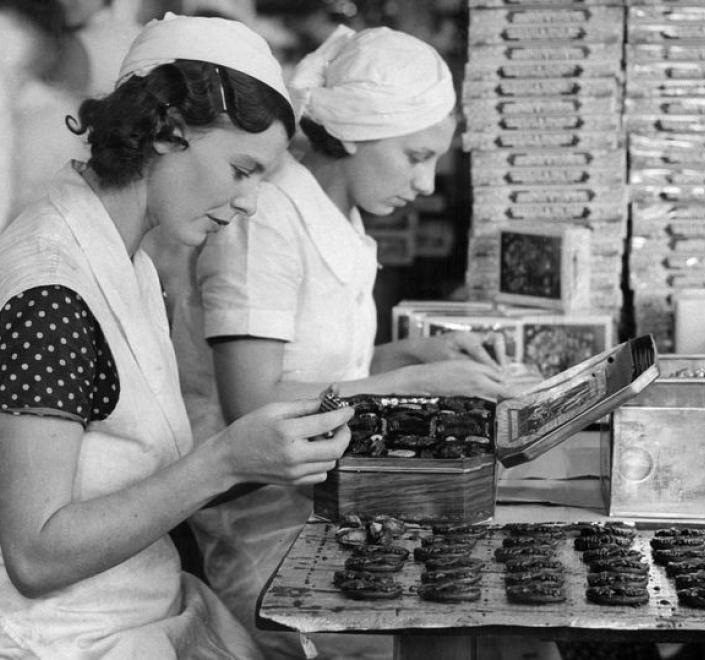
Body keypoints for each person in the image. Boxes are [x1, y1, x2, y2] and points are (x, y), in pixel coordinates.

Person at [0, 13, 354, 659]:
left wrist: (272, 455)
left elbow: (134, 467)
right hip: (66, 640)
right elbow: (37, 553)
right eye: (242, 169)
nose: (249, 202)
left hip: (145, 612)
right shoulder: (52, 289)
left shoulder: (126, 260)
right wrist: (223, 461)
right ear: (165, 131)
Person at [171, 25, 521, 660]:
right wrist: (410, 386)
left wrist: (412, 357)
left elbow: (324, 371)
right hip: (266, 537)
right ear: (356, 134)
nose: (427, 184)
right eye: (415, 156)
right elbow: (256, 406)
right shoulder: (265, 219)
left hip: (335, 506)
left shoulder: (339, 216)